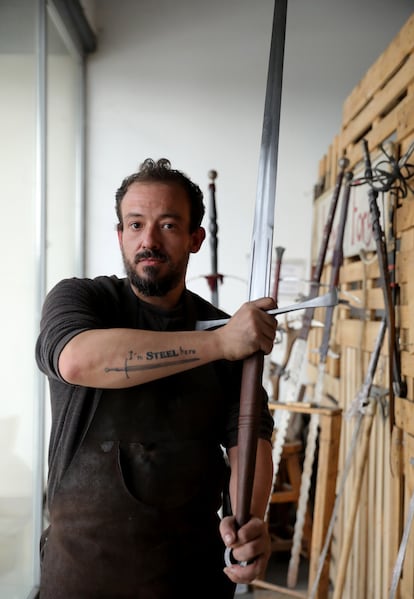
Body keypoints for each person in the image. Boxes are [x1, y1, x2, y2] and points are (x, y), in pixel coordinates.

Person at [36, 158, 277, 599]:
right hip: (80, 576)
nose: (148, 240)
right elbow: (77, 361)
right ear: (120, 236)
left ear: (194, 238)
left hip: (189, 577)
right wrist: (221, 344)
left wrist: (249, 521)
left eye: (167, 225)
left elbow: (251, 435)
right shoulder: (81, 300)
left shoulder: (226, 331)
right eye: (135, 225)